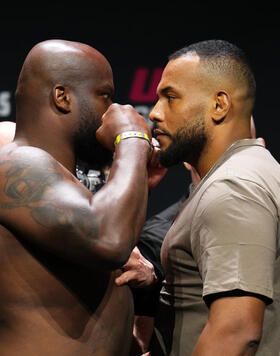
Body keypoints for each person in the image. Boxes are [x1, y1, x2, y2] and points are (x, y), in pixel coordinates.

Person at [0, 39, 156, 356]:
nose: (113, 110)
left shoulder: (63, 180)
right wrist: (131, 137)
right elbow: (110, 239)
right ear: (62, 97)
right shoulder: (19, 163)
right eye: (105, 95)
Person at [143, 39, 280, 355]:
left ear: (220, 105)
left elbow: (236, 331)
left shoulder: (234, 187)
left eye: (170, 98)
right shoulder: (247, 172)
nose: (155, 114)